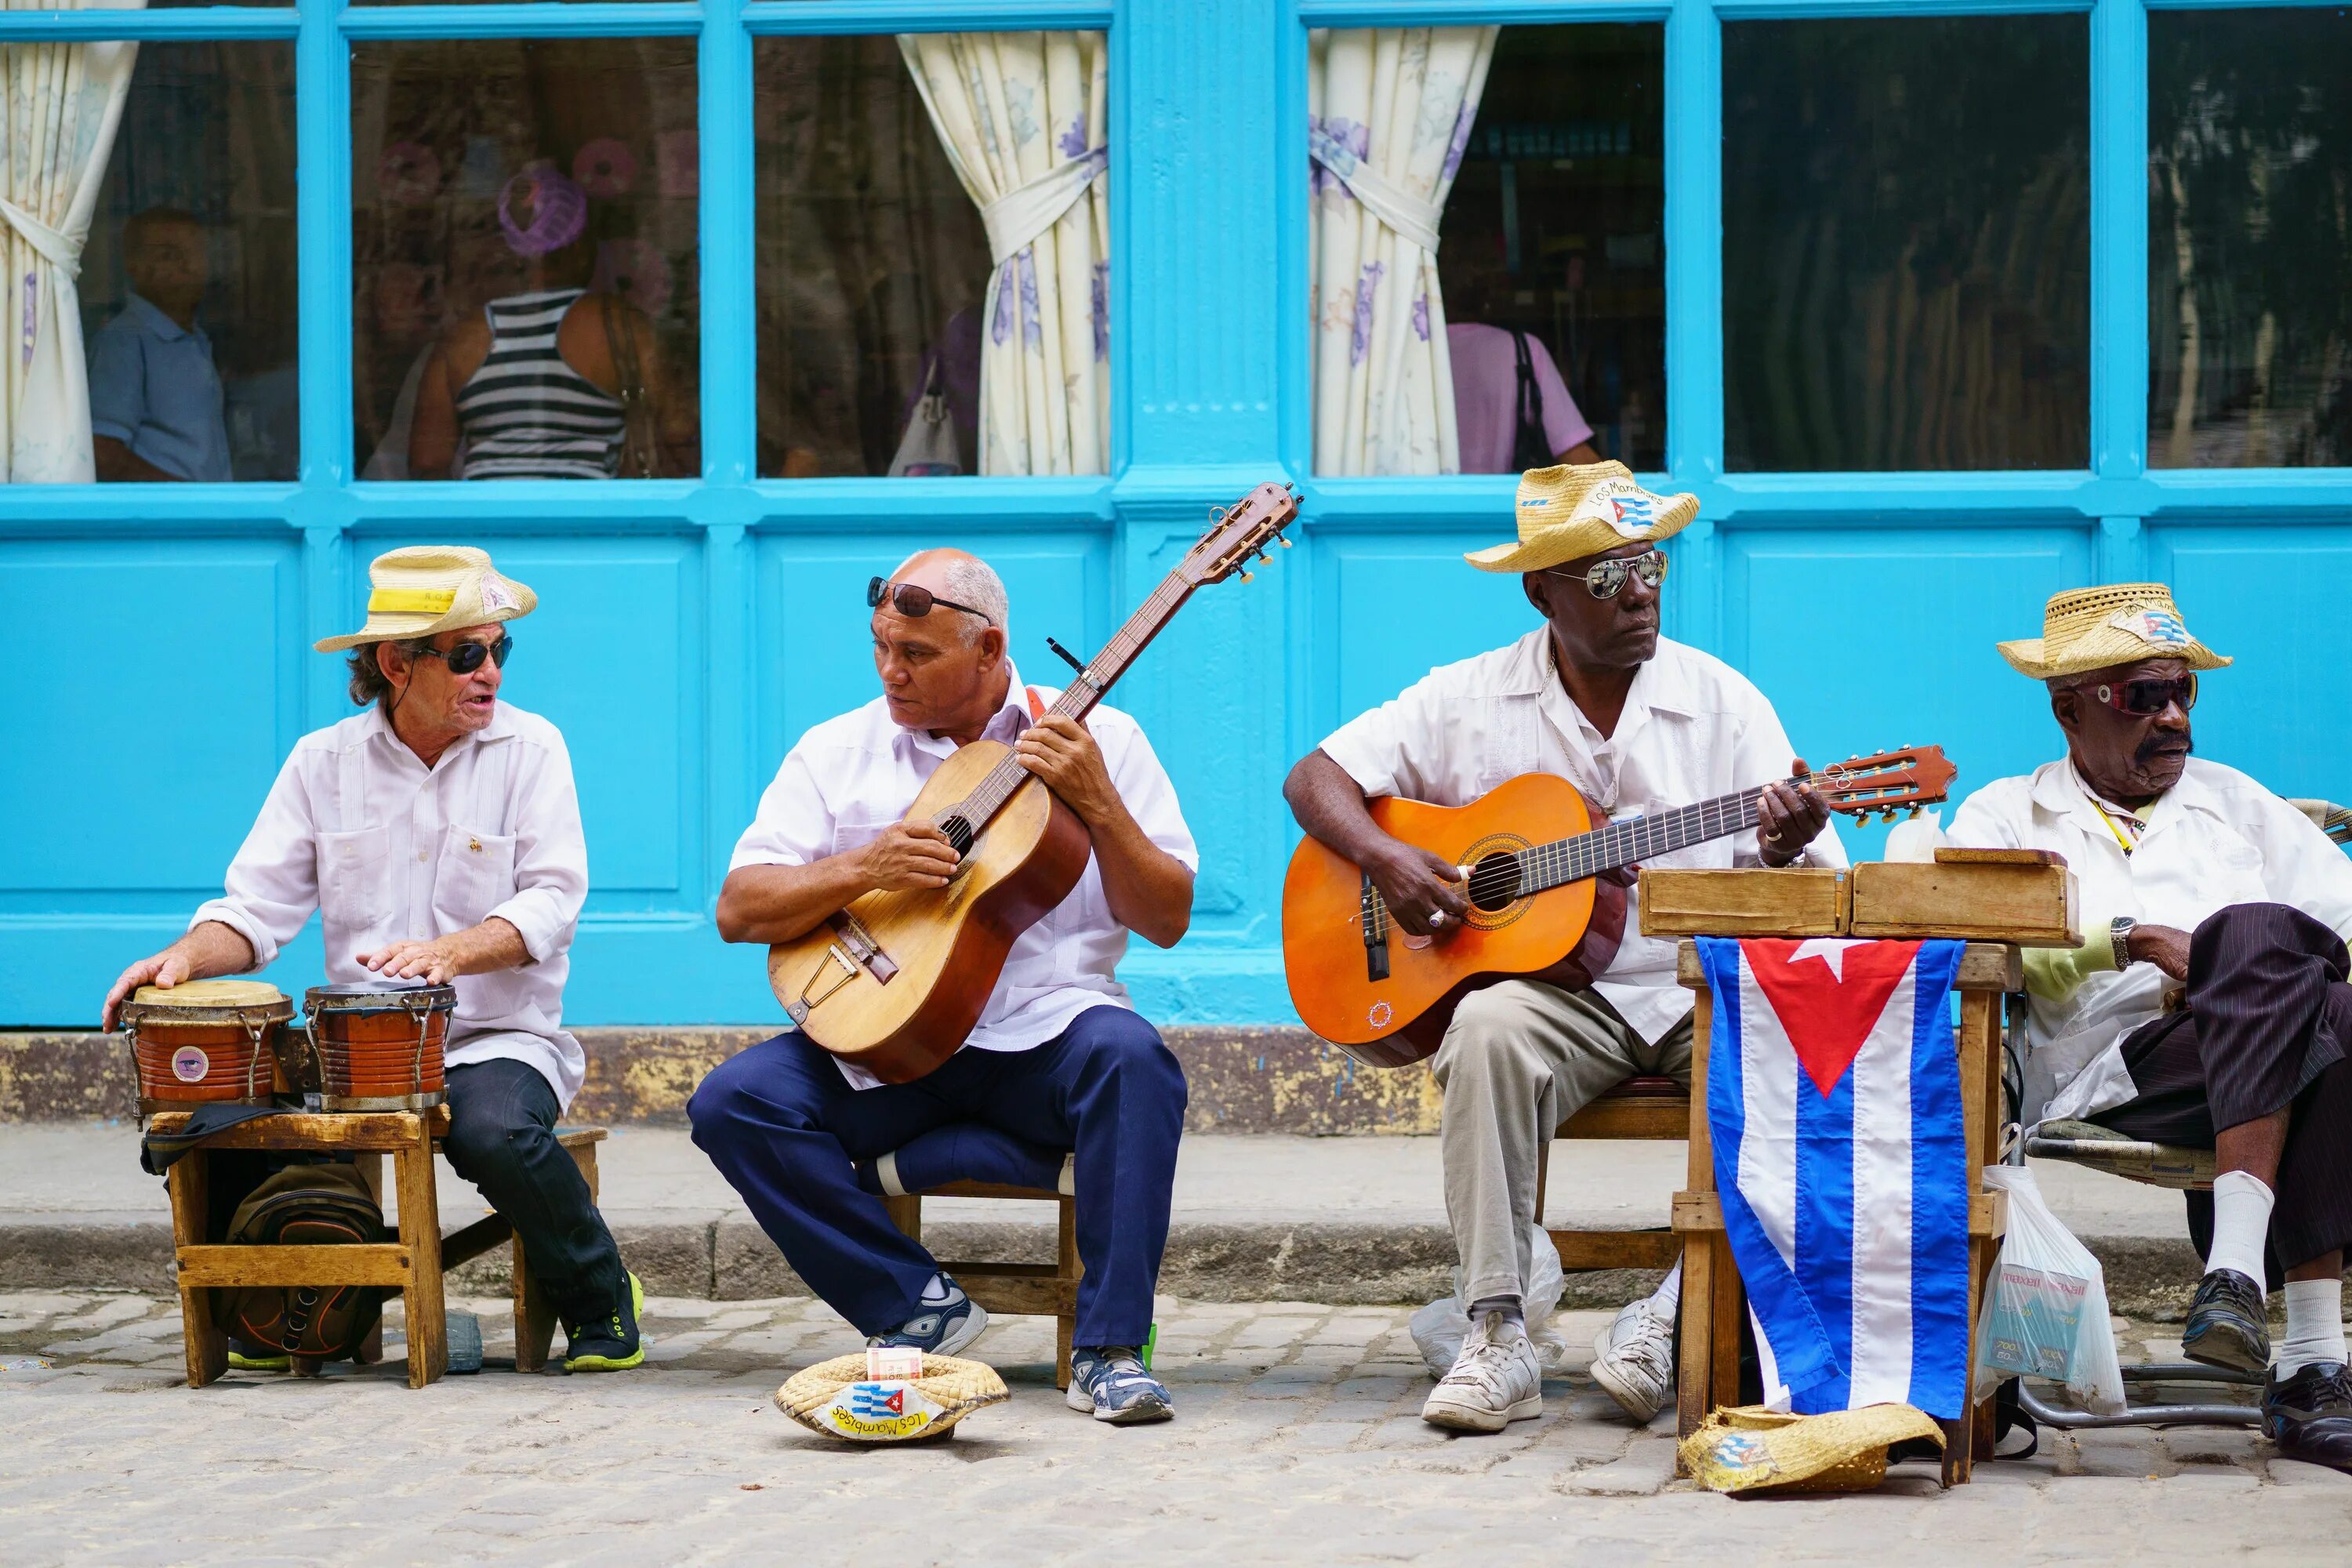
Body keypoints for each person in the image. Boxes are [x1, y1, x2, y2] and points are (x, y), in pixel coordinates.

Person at [1282, 462, 1844, 1433]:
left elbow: (1823, 894)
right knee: (1487, 1027)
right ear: (1540, 591)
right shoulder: (1464, 696)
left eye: (1650, 563)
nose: (1640, 591)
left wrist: (1786, 844)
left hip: (1688, 985)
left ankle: (1674, 1311)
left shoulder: (1724, 702)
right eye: (1605, 575)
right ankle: (1496, 1328)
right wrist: (1392, 863)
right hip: (1558, 996)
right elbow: (1313, 778)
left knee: (1793, 1042)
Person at [101, 546, 644, 1374]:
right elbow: (253, 909)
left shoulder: (533, 748)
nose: (490, 671)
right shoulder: (323, 762)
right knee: (218, 1116)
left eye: (501, 649)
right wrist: (181, 956)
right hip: (354, 1052)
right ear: (396, 664)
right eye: (467, 654)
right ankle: (274, 1308)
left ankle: (601, 1294)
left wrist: (450, 952)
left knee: (496, 1129)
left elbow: (552, 899)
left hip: (494, 1037)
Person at [688, 549, 1197, 1424]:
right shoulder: (836, 749)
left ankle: (1107, 1350)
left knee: (1136, 1061)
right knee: (732, 1101)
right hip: (889, 1047)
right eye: (882, 646)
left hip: (1047, 1038)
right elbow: (740, 908)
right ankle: (913, 1301)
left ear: (992, 646)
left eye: (917, 653)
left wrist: (1099, 802)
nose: (893, 669)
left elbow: (1168, 915)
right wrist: (863, 865)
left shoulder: (1103, 740)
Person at [1946, 583, 2352, 1472]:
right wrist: (2128, 941)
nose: (2173, 717)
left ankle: (2243, 1288)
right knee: (2255, 940)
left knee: (2316, 996)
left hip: (2254, 1051)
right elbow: (1979, 938)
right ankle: (2311, 1360)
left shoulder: (2234, 799)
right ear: (2069, 708)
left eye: (2183, 694)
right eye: (2143, 697)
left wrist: (2235, 967)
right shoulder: (2006, 812)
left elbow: (2343, 920)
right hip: (2112, 1066)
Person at [407, 166, 691, 480]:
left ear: (510, 245)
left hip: (489, 523)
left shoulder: (463, 338)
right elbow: (680, 435)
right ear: (582, 245)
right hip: (590, 524)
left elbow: (428, 461)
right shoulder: (619, 325)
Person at [89, 208, 232, 483]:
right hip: (166, 521)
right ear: (135, 267)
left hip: (207, 519)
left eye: (198, 253)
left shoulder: (194, 338)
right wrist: (184, 498)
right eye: (170, 255)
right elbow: (103, 451)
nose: (191, 267)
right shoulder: (124, 340)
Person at [1446, 320, 1602, 474]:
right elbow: (1579, 460)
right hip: (1501, 498)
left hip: (1426, 497)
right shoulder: (1521, 350)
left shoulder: (1424, 349)